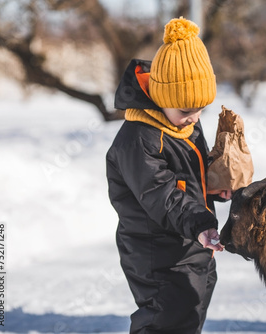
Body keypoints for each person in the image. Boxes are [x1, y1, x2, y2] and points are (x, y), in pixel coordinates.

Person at [106, 17, 231, 334]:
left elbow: (188, 176)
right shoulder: (138, 139)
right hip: (156, 250)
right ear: (161, 98)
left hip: (192, 243)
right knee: (166, 320)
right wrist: (201, 222)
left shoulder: (183, 122)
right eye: (185, 111)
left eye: (199, 109)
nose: (192, 118)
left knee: (191, 313)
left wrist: (215, 189)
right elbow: (161, 194)